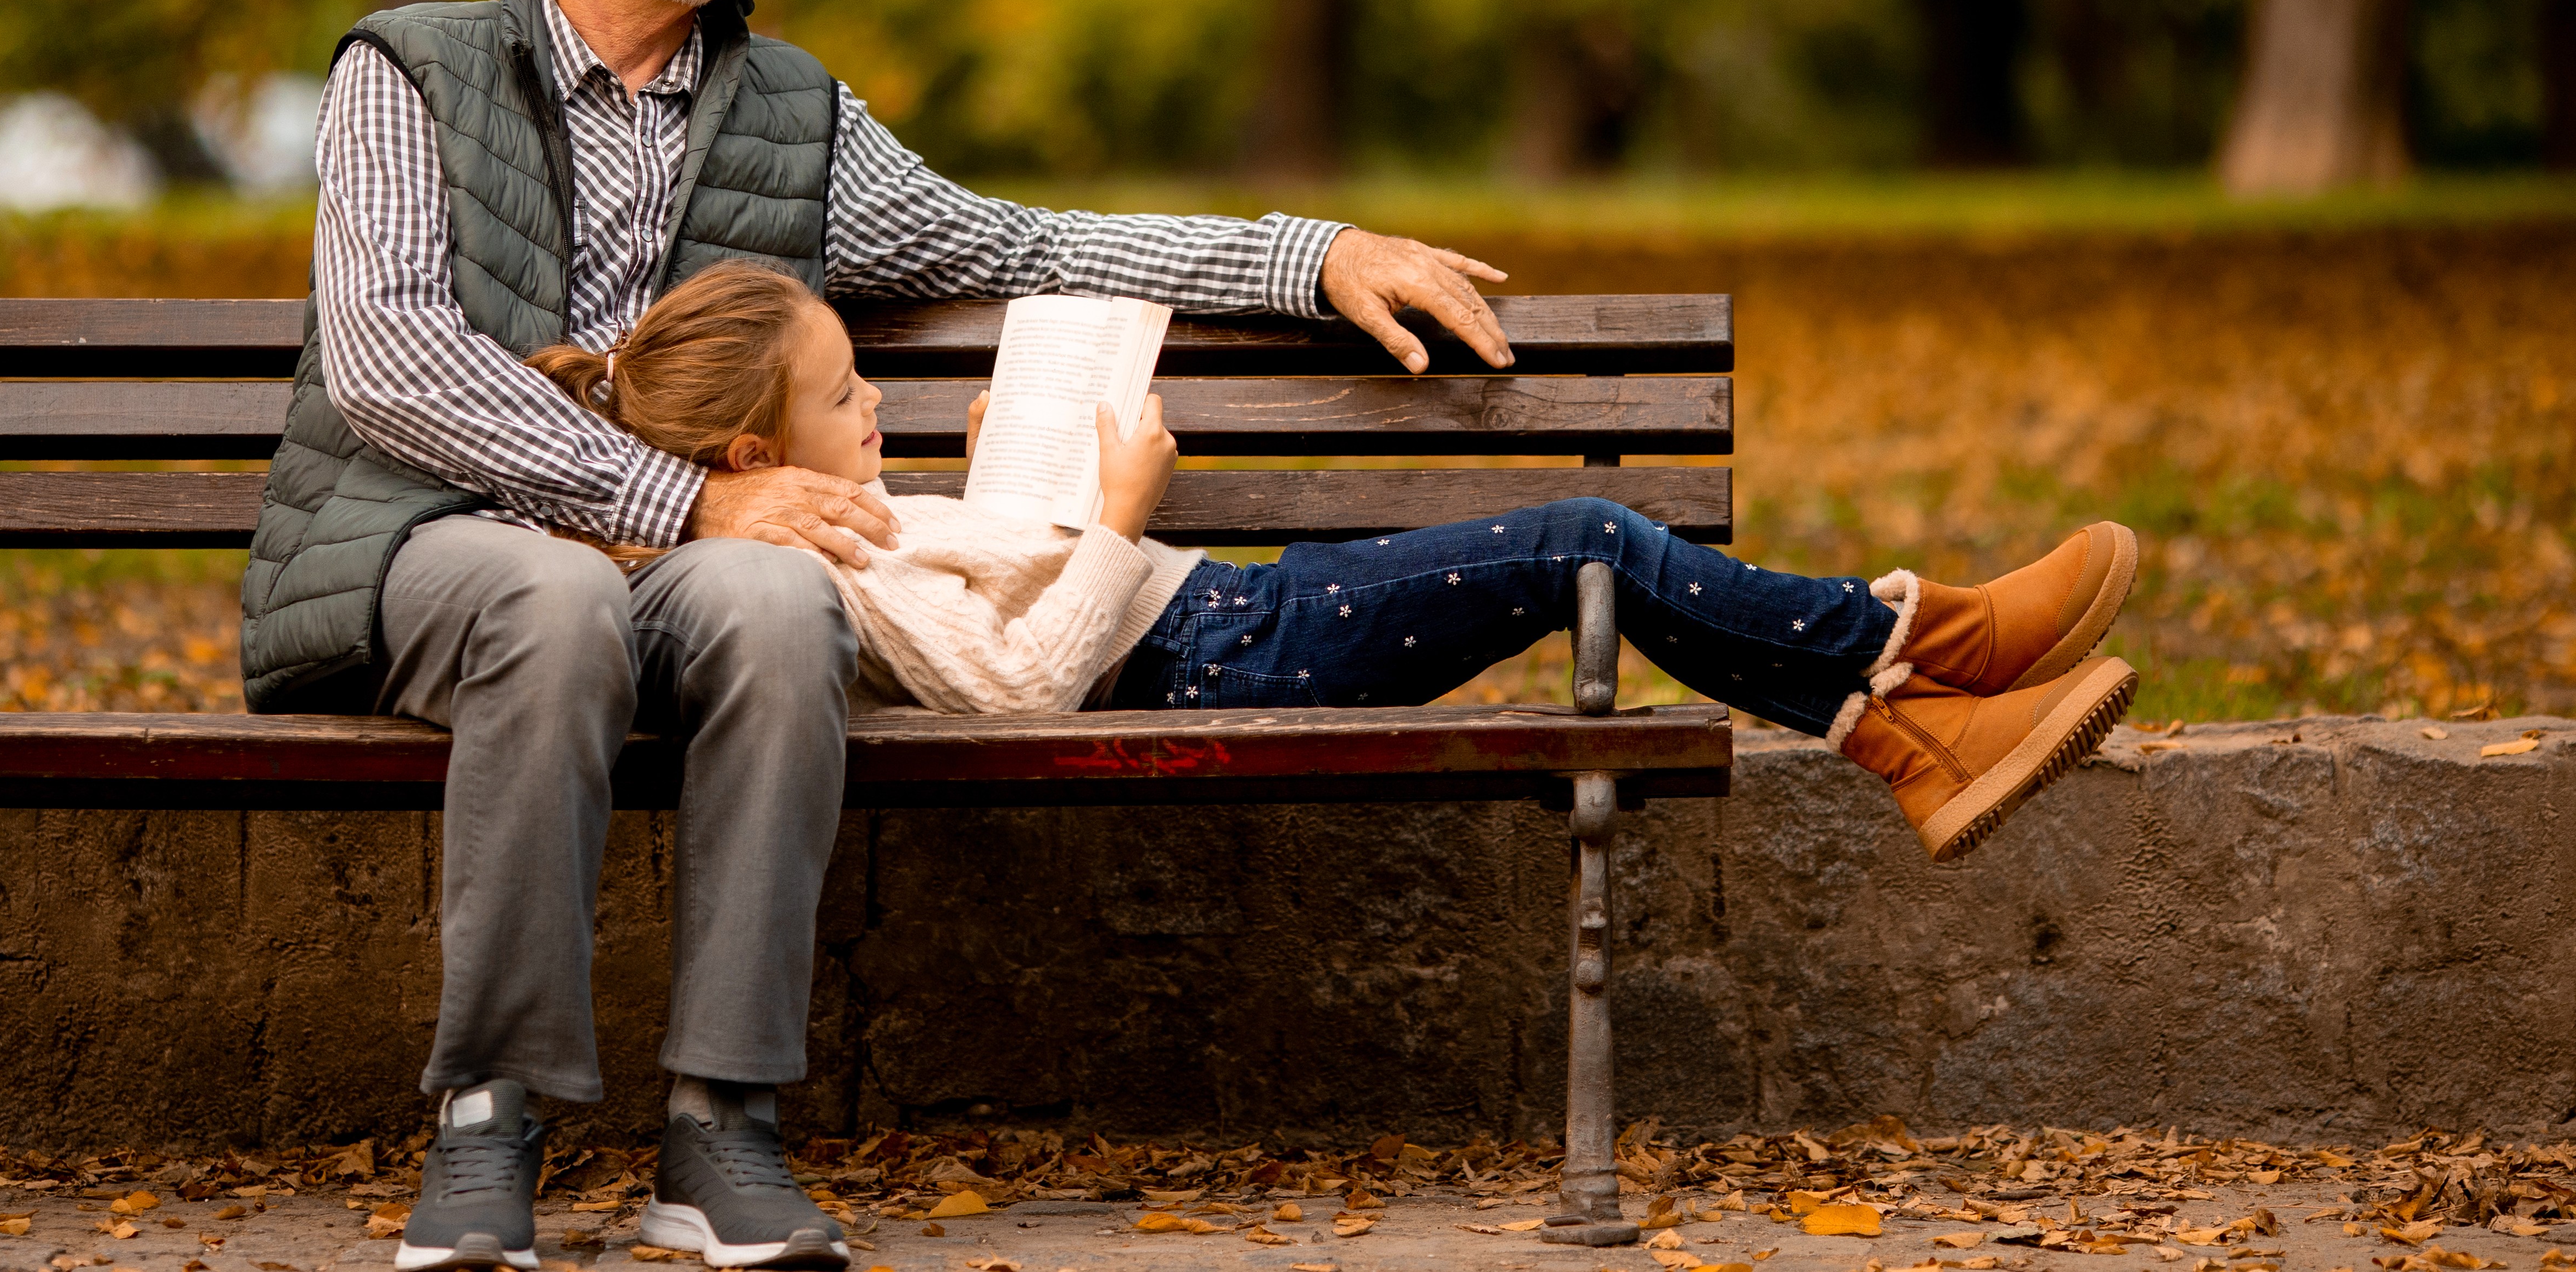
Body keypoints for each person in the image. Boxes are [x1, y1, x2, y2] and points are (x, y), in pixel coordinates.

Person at [244, 0, 1544, 1272]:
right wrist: (676, 494)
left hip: (689, 550)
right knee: (559, 587)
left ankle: (721, 1126)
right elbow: (388, 358)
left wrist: (1303, 254)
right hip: (428, 541)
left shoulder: (791, 114)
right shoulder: (407, 73)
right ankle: (488, 1118)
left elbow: (1020, 246)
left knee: (785, 594)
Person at [531, 259, 2140, 861]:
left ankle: (1912, 717)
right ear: (744, 457)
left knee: (1583, 546)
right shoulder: (806, 574)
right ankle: (1917, 646)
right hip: (1212, 648)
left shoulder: (826, 526)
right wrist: (1115, 511)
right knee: (1582, 536)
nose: (872, 400)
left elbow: (991, 610)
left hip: (1223, 621)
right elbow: (1018, 684)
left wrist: (1009, 492)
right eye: (842, 395)